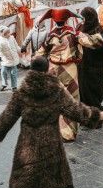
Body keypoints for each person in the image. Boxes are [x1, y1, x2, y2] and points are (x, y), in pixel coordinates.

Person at [0, 56, 103, 188]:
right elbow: (75, 111)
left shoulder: (22, 92)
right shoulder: (56, 92)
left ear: (31, 70)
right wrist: (96, 115)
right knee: (64, 181)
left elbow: (7, 118)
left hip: (27, 146)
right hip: (51, 144)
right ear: (47, 70)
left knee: (17, 183)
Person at [35, 9, 84, 141]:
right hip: (70, 69)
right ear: (66, 19)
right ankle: (69, 133)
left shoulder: (50, 35)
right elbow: (90, 42)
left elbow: (40, 52)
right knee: (72, 99)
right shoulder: (73, 33)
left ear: (54, 20)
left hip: (53, 70)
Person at [77, 7, 103, 129]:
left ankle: (97, 120)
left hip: (95, 69)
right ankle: (86, 118)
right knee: (83, 95)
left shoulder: (98, 29)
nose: (82, 21)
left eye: (84, 18)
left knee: (94, 96)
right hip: (82, 68)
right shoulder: (80, 28)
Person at [0, 26, 20, 92]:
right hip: (5, 60)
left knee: (13, 73)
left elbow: (16, 46)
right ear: (3, 35)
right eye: (7, 33)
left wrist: (21, 50)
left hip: (13, 59)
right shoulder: (0, 42)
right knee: (3, 72)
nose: (9, 34)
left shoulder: (12, 38)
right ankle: (4, 84)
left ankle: (14, 86)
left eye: (9, 32)